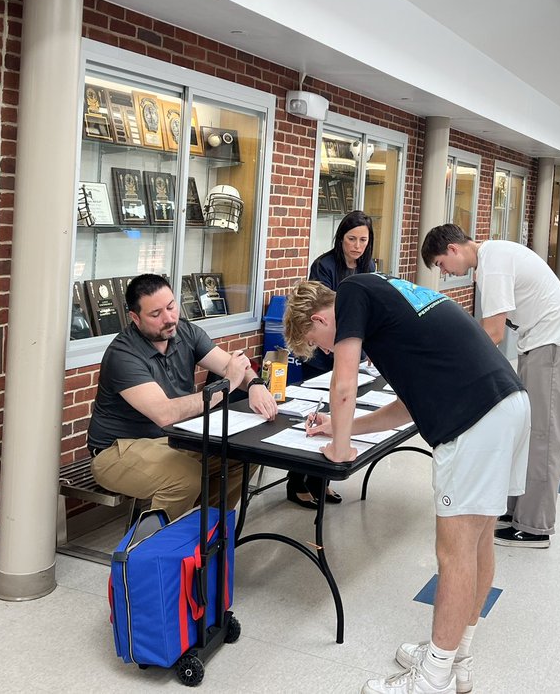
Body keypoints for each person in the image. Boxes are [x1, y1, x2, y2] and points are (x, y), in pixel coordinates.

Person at [284, 277, 530, 694]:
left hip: (473, 420)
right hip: (506, 403)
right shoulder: (388, 303)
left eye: (321, 342)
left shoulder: (353, 295)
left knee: (453, 555)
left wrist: (341, 450)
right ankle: (457, 659)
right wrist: (341, 426)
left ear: (322, 317)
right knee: (477, 542)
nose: (328, 351)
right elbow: (407, 405)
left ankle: (432, 679)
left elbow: (343, 385)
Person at [421, 225, 560, 549]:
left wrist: (456, 366)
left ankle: (535, 526)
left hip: (554, 345)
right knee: (525, 431)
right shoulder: (491, 259)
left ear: (453, 250)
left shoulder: (492, 263)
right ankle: (516, 512)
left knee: (543, 437)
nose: (444, 272)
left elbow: (493, 333)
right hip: (539, 343)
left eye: (440, 264)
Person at [87, 274, 278, 520]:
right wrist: (226, 385)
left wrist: (255, 383)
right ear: (135, 318)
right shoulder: (123, 354)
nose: (168, 319)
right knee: (185, 479)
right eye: (155, 314)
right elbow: (164, 414)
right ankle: (157, 550)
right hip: (117, 450)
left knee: (245, 455)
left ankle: (205, 530)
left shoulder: (185, 332)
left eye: (171, 307)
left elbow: (234, 365)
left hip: (174, 440)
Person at [287, 210, 377, 509]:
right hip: (324, 349)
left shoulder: (368, 266)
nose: (357, 246)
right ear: (341, 238)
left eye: (363, 240)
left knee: (338, 413)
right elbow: (321, 308)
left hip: (351, 348)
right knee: (316, 412)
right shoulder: (324, 265)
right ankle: (296, 481)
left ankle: (320, 480)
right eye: (352, 239)